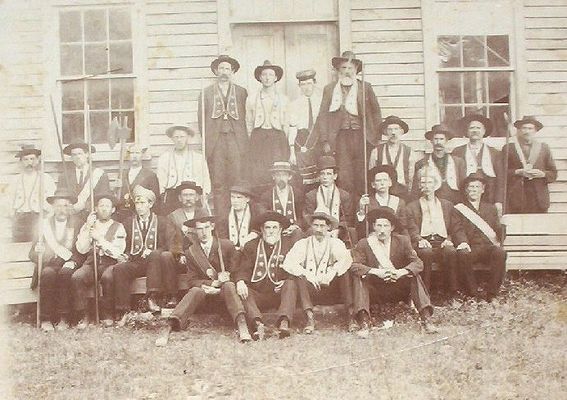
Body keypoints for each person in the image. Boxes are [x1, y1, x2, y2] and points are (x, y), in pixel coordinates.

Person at [350, 207, 437, 338]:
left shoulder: (402, 241)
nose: (382, 229)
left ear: (392, 228)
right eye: (378, 225)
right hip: (376, 288)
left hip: (398, 286)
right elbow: (355, 265)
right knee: (360, 278)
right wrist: (375, 272)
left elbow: (418, 263)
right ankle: (364, 322)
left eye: (385, 225)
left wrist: (401, 272)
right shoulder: (364, 243)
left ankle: (426, 318)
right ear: (373, 226)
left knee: (414, 275)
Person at [168, 215, 252, 343]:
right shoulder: (191, 252)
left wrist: (228, 276)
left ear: (212, 227)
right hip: (205, 298)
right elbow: (192, 281)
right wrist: (212, 283)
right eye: (200, 229)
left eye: (207, 227)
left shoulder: (226, 245)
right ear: (195, 231)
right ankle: (175, 320)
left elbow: (237, 271)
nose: (204, 232)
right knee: (196, 290)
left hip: (226, 298)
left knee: (229, 285)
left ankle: (241, 323)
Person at [312, 51, 382, 195]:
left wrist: (375, 137)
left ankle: (362, 210)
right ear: (338, 70)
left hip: (362, 137)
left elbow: (376, 113)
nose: (347, 71)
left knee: (362, 174)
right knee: (345, 174)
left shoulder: (365, 87)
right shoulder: (330, 89)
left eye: (350, 68)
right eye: (344, 68)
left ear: (356, 70)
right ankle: (347, 209)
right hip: (341, 138)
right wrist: (325, 140)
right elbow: (323, 116)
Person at [112, 185, 181, 318]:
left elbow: (169, 245)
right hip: (136, 262)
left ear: (150, 204)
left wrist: (153, 251)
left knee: (155, 254)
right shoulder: (128, 223)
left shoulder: (162, 221)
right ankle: (123, 310)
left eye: (142, 203)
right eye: (137, 203)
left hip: (157, 264)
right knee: (120, 268)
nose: (139, 206)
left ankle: (152, 297)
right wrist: (123, 255)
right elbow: (124, 245)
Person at [282, 210, 353, 334]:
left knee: (344, 274)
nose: (319, 229)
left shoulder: (335, 243)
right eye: (315, 225)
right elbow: (289, 262)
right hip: (311, 291)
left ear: (329, 228)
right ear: (311, 226)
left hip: (331, 289)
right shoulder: (303, 244)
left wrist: (331, 273)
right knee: (299, 275)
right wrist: (308, 275)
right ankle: (309, 318)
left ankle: (351, 316)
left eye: (322, 226)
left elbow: (346, 260)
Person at [233, 211, 298, 340]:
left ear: (280, 229)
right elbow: (243, 269)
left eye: (275, 228)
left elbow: (297, 268)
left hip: (279, 294)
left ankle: (284, 322)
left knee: (291, 284)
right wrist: (240, 281)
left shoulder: (289, 245)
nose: (271, 231)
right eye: (268, 227)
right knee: (243, 290)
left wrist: (287, 280)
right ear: (262, 229)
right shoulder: (251, 245)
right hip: (258, 293)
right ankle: (258, 324)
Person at [198, 55, 249, 215]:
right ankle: (221, 222)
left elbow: (247, 118)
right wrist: (209, 140)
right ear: (216, 71)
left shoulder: (241, 92)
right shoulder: (206, 93)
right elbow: (201, 120)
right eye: (221, 68)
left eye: (227, 69)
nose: (224, 72)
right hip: (216, 142)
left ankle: (237, 219)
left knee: (236, 181)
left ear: (232, 71)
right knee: (218, 182)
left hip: (236, 141)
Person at [406, 167, 468, 295]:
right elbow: (411, 227)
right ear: (419, 185)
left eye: (430, 183)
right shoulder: (412, 206)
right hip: (423, 241)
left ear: (436, 185)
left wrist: (453, 240)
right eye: (423, 183)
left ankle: (451, 292)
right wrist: (419, 239)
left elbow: (456, 227)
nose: (426, 186)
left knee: (451, 251)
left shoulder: (447, 205)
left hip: (442, 240)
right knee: (426, 253)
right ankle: (424, 293)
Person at [29, 189, 83, 331]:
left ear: (70, 208)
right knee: (48, 274)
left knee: (65, 274)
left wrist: (74, 262)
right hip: (49, 264)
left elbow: (82, 251)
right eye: (58, 206)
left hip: (68, 263)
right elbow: (32, 254)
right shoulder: (43, 226)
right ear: (53, 208)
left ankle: (63, 318)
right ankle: (46, 319)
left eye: (65, 206)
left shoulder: (77, 224)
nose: (62, 209)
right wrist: (37, 250)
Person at [72, 193, 126, 328]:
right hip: (92, 262)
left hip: (110, 262)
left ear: (113, 210)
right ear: (96, 208)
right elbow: (82, 249)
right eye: (101, 206)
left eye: (107, 206)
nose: (104, 209)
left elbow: (118, 252)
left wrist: (100, 239)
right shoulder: (89, 225)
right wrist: (87, 228)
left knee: (108, 277)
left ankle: (107, 314)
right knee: (77, 277)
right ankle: (84, 315)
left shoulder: (118, 227)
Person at [454, 174, 506, 300]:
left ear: (483, 189)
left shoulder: (491, 208)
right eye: (470, 187)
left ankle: (492, 294)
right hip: (471, 246)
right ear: (466, 190)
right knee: (463, 254)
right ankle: (473, 294)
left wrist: (502, 228)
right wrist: (463, 242)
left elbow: (497, 230)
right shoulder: (459, 208)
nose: (473, 190)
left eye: (477, 187)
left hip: (488, 247)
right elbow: (457, 228)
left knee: (500, 252)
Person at [246, 60, 290, 192]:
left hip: (277, 137)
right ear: (260, 77)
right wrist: (252, 139)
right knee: (258, 171)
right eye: (264, 74)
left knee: (276, 170)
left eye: (270, 75)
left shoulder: (283, 99)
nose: (267, 78)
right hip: (258, 137)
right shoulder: (251, 98)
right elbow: (248, 122)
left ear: (276, 78)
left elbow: (286, 123)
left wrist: (284, 141)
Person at [501, 116, 557, 213]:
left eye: (530, 128)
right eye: (524, 128)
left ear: (535, 131)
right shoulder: (509, 148)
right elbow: (502, 172)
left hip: (538, 198)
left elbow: (553, 173)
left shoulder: (544, 148)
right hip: (516, 197)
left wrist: (543, 174)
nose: (527, 131)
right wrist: (517, 172)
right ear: (519, 130)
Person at [452, 115, 504, 214]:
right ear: (467, 132)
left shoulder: (495, 153)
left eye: (478, 128)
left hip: (489, 195)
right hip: (465, 195)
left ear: (484, 131)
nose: (475, 131)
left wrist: (499, 200)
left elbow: (500, 180)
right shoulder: (458, 151)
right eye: (471, 128)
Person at [157, 125, 211, 215]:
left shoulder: (198, 158)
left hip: (192, 195)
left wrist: (204, 195)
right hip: (172, 197)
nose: (179, 140)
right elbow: (161, 181)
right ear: (172, 139)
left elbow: (205, 179)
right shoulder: (165, 158)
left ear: (188, 138)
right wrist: (163, 197)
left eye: (182, 137)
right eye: (176, 137)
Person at [304, 156, 355, 247]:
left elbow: (347, 218)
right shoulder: (311, 195)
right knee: (309, 232)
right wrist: (321, 229)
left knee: (351, 231)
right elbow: (308, 217)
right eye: (322, 174)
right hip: (318, 229)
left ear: (335, 176)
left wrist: (338, 229)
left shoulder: (344, 195)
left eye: (328, 174)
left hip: (338, 231)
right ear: (319, 177)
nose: (325, 177)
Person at [10, 144, 56, 242]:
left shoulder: (46, 179)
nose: (29, 163)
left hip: (38, 218)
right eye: (25, 160)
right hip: (20, 219)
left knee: (37, 247)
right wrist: (12, 215)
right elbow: (8, 199)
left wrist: (47, 215)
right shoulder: (15, 180)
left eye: (32, 159)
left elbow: (52, 200)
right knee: (19, 247)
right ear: (21, 162)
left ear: (37, 160)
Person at [288, 69, 323, 192]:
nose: (306, 87)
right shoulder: (294, 104)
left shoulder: (322, 102)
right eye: (303, 84)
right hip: (302, 143)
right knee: (303, 180)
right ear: (299, 86)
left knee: (320, 177)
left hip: (318, 142)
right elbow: (292, 128)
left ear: (314, 82)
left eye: (309, 83)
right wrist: (292, 151)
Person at [412, 124, 466, 204]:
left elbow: (463, 186)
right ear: (431, 141)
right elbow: (416, 188)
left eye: (441, 139)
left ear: (446, 141)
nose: (438, 142)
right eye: (436, 139)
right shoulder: (422, 163)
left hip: (454, 201)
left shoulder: (458, 162)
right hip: (432, 202)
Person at [58, 140, 111, 218]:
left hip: (92, 215)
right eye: (74, 155)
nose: (77, 157)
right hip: (71, 217)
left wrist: (85, 205)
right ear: (71, 158)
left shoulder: (100, 174)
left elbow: (103, 197)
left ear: (87, 155)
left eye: (80, 154)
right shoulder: (64, 176)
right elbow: (61, 196)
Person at [368, 115, 416, 200]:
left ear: (401, 131)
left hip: (402, 193)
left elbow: (411, 177)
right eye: (390, 129)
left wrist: (408, 194)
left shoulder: (409, 152)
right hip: (382, 193)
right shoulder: (376, 151)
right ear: (385, 132)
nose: (393, 133)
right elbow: (372, 174)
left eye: (396, 129)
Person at [357, 164, 410, 238]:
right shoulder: (367, 202)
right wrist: (361, 210)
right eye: (378, 181)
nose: (382, 183)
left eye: (385, 180)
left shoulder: (399, 202)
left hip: (394, 240)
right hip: (373, 238)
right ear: (373, 185)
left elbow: (403, 227)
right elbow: (361, 228)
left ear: (390, 183)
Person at [114, 143, 160, 221]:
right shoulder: (122, 174)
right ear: (129, 156)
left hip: (141, 216)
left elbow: (155, 200)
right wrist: (116, 189)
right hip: (124, 216)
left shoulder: (150, 175)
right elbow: (118, 197)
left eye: (137, 153)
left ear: (142, 155)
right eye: (132, 153)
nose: (134, 156)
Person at [259, 161, 304, 241]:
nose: (281, 178)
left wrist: (295, 226)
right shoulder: (266, 196)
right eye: (278, 175)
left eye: (284, 175)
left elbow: (301, 215)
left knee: (298, 233)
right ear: (273, 177)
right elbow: (264, 216)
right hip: (274, 230)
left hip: (293, 230)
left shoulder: (297, 194)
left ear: (289, 177)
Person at [216, 183, 265, 250]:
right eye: (232, 197)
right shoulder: (224, 213)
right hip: (230, 250)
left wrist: (252, 235)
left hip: (250, 249)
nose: (235, 201)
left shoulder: (256, 211)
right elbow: (222, 233)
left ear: (247, 199)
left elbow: (260, 228)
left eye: (239, 197)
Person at [167, 181, 209, 253]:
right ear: (180, 198)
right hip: (181, 252)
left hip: (201, 251)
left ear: (197, 197)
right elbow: (171, 240)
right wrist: (180, 253)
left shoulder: (203, 214)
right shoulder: (173, 216)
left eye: (191, 195)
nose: (188, 198)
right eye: (185, 195)